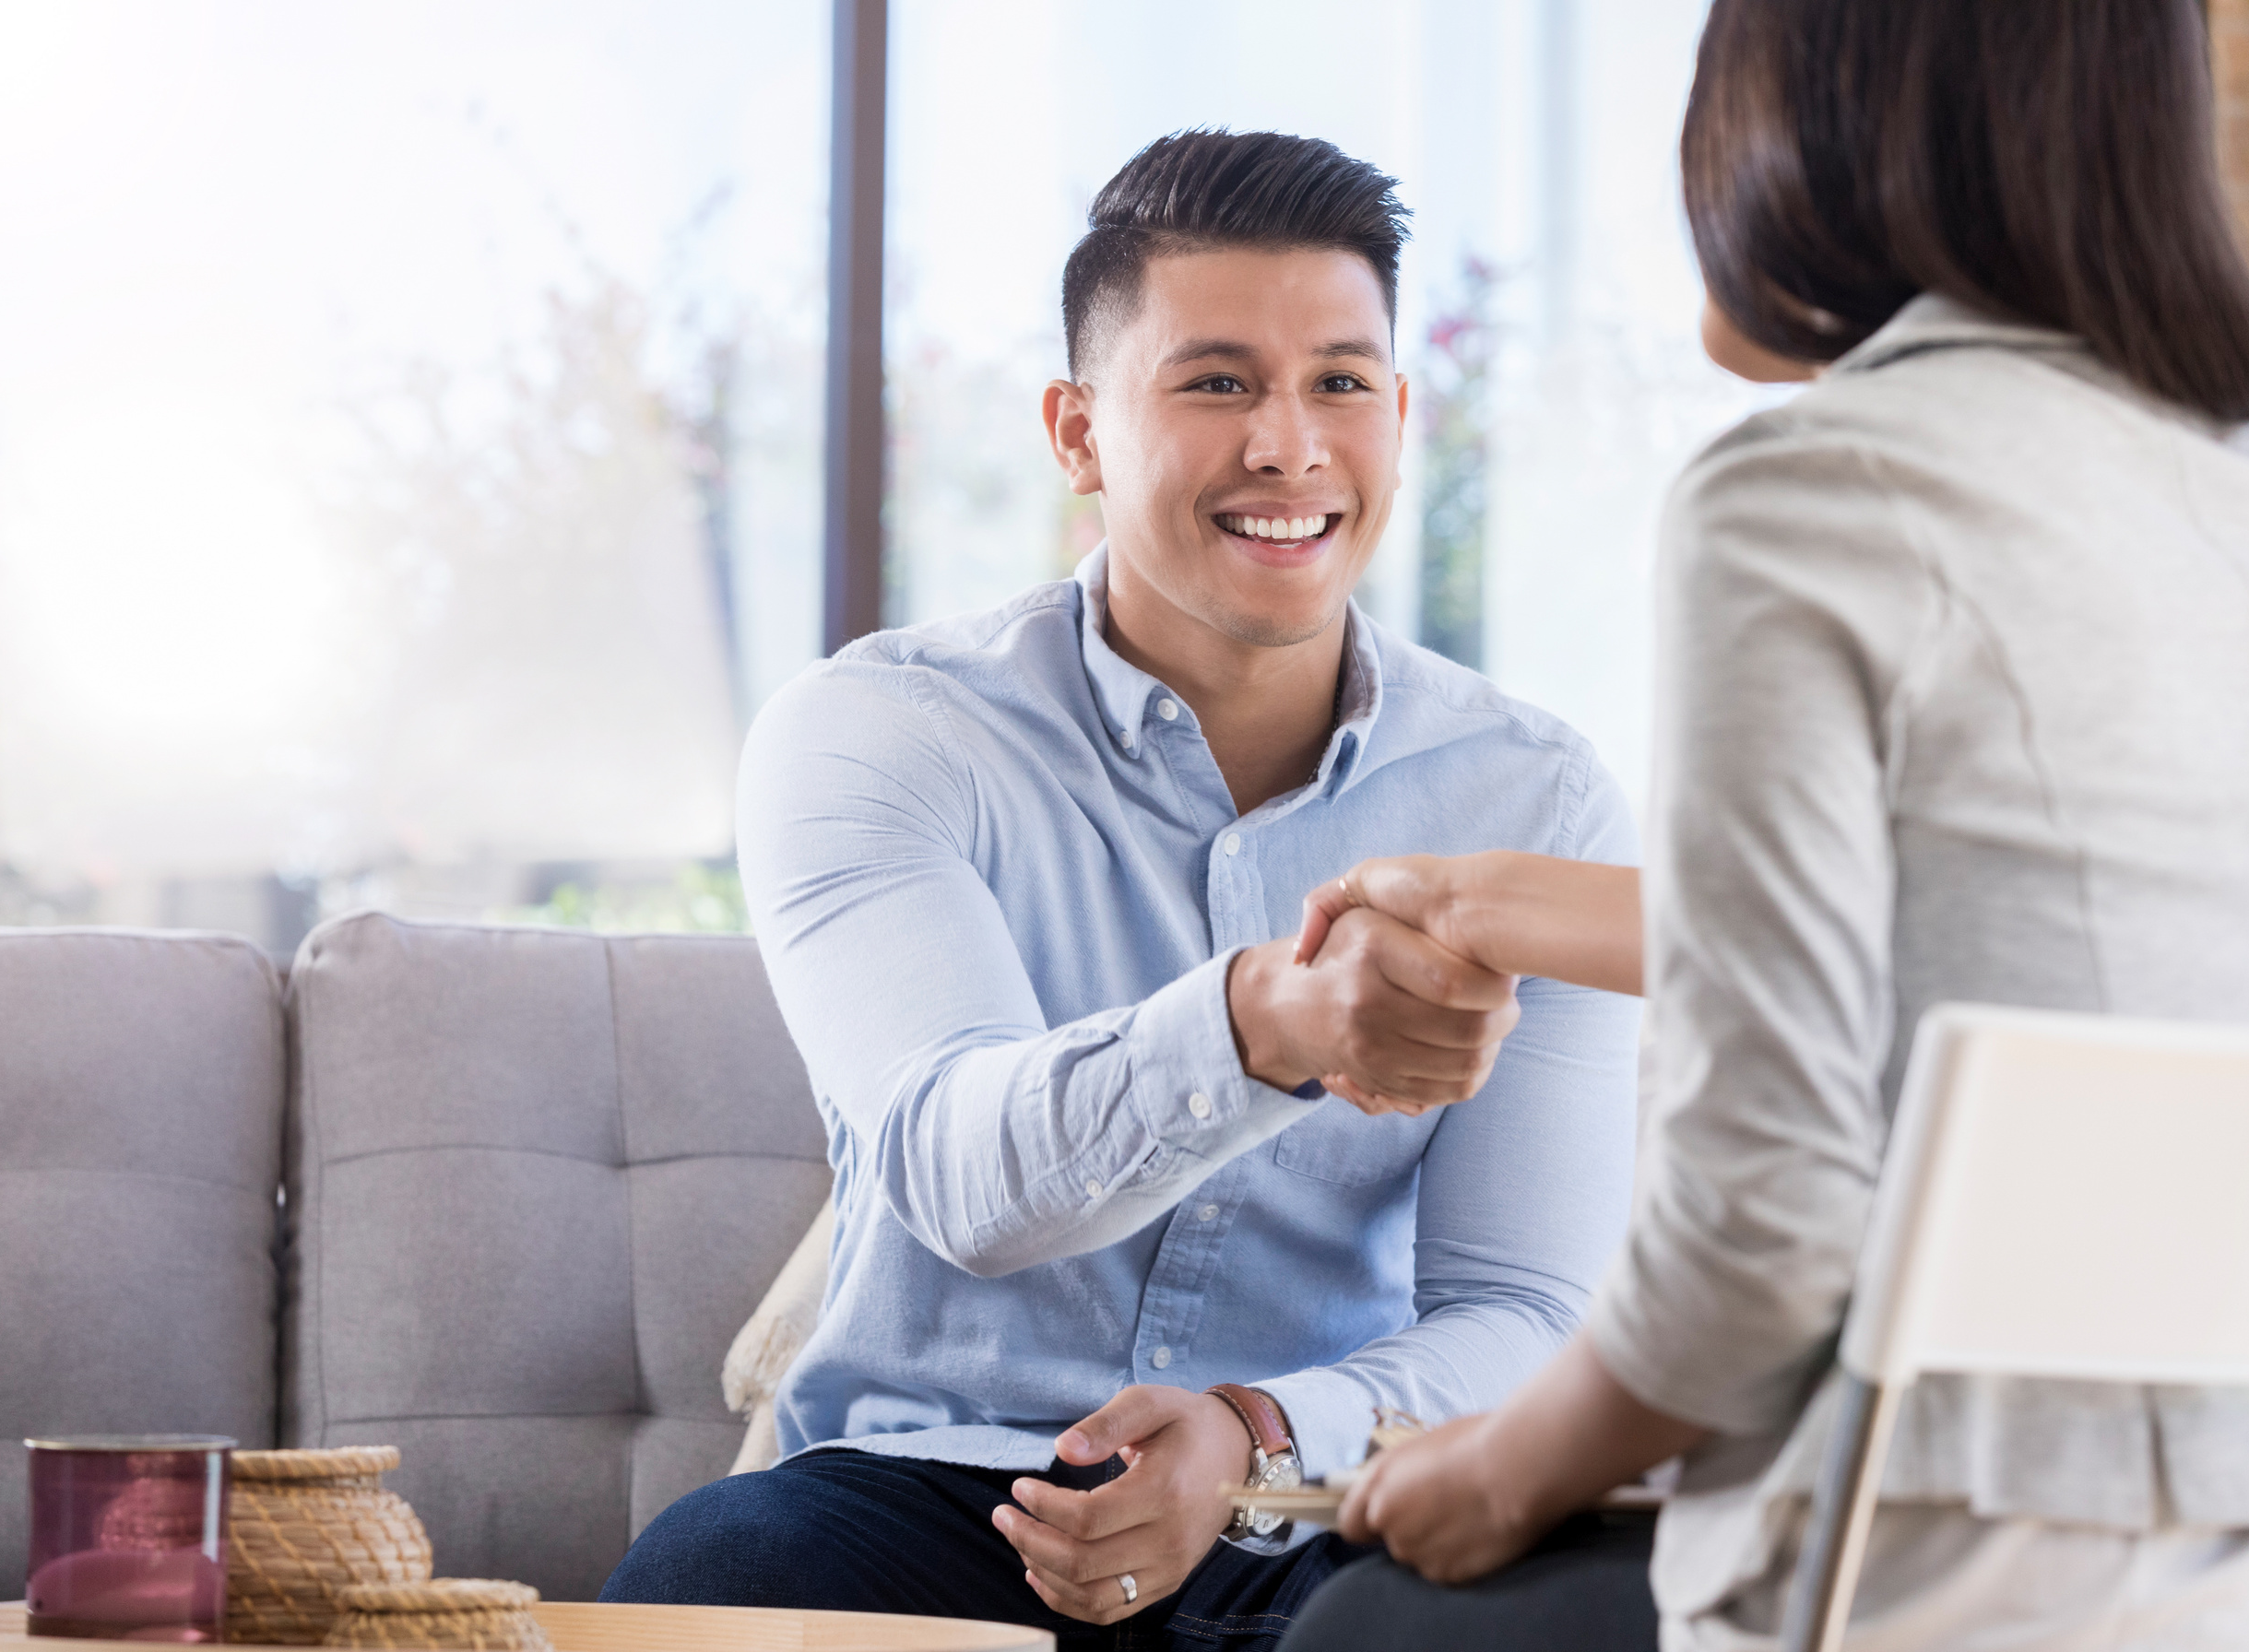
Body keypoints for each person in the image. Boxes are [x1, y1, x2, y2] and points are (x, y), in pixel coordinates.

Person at [1278, 2, 2249, 1647]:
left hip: (1928, 1559)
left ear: (1813, 121)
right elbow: (2004, 938)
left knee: (1361, 1624)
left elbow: (1761, 1233)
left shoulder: (1804, 501)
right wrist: (1490, 899)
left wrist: (1507, 1472)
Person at [598, 130, 1644, 1651]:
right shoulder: (882, 733)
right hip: (936, 1497)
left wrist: (1258, 1434)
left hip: (1319, 1512)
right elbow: (963, 1175)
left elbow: (1525, 1316)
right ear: (1079, 431)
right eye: (1216, 383)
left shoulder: (1534, 797)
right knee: (717, 1586)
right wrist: (1267, 1025)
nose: (1288, 447)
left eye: (1341, 384)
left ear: (1401, 420)